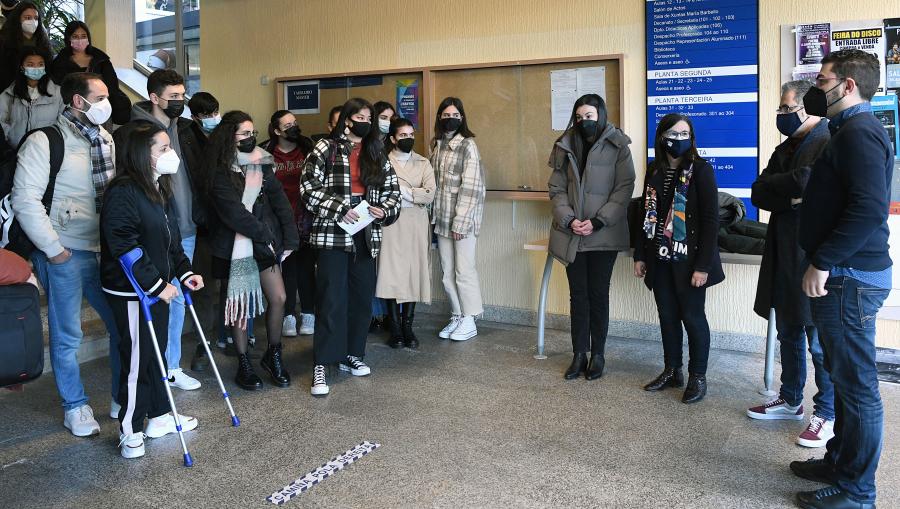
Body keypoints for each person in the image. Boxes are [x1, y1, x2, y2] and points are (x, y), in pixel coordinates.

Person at [791, 49, 894, 509]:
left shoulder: (860, 133)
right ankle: (839, 462)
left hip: (850, 277)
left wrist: (823, 260)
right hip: (845, 273)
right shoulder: (848, 131)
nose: (818, 86)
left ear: (847, 85)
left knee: (856, 386)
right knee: (841, 373)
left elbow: (869, 209)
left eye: (823, 79)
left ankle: (858, 492)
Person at [10, 72, 123, 435]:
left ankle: (123, 395)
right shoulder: (45, 141)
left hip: (104, 249)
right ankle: (75, 405)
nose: (108, 102)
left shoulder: (105, 138)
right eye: (101, 96)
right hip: (66, 251)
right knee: (68, 334)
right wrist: (54, 250)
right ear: (78, 100)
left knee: (121, 326)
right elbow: (25, 199)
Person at [99, 121, 203, 459]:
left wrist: (184, 272)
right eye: (162, 148)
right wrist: (156, 285)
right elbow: (123, 245)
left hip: (158, 290)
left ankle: (159, 416)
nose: (170, 153)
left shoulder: (159, 187)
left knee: (154, 357)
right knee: (137, 362)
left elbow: (170, 239)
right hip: (133, 293)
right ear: (142, 153)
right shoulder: (124, 191)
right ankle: (130, 428)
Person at [746, 79, 836, 449]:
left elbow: (809, 181)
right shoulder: (788, 146)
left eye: (786, 109)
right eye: (780, 109)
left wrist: (786, 190)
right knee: (787, 330)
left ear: (806, 107)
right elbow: (758, 191)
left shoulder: (827, 140)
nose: (781, 115)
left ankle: (827, 412)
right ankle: (791, 398)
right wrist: (791, 197)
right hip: (783, 250)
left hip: (812, 254)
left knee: (819, 340)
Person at [300, 97, 400, 397]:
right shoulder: (326, 148)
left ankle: (352, 354)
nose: (366, 122)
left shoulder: (377, 152)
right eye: (360, 116)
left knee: (361, 297)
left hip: (366, 233)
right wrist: (340, 207)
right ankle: (322, 362)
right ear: (347, 120)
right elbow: (308, 188)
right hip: (333, 232)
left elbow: (392, 191)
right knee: (331, 298)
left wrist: (385, 209)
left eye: (370, 117)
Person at [634, 113, 723, 404]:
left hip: (690, 261)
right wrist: (640, 255)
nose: (680, 139)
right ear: (662, 137)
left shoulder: (701, 170)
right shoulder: (654, 169)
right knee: (668, 317)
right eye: (674, 133)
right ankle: (673, 370)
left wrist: (703, 267)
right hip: (659, 257)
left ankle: (698, 377)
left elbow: (711, 222)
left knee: (693, 319)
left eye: (685, 134)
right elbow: (646, 215)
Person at [208, 110, 298, 390]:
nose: (250, 138)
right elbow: (233, 213)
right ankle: (244, 362)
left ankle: (273, 355)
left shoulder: (260, 161)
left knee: (279, 298)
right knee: (240, 307)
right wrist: (265, 235)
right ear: (229, 137)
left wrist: (290, 236)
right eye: (244, 134)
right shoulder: (219, 170)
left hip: (265, 242)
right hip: (236, 246)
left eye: (252, 133)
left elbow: (279, 200)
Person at [547, 94, 635, 381]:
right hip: (572, 232)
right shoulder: (564, 144)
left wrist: (598, 221)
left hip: (603, 232)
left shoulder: (618, 144)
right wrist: (569, 220)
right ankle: (579, 354)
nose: (584, 121)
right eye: (579, 116)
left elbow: (624, 187)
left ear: (601, 115)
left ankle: (598, 354)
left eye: (590, 116)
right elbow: (556, 188)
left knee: (598, 294)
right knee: (578, 296)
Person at [128, 69, 204, 391]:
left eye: (182, 96)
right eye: (173, 97)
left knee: (177, 302)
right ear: (154, 97)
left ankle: (171, 366)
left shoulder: (184, 128)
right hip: (157, 229)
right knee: (159, 301)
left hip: (186, 225)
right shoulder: (137, 132)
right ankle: (155, 370)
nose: (179, 102)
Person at [377, 117, 435, 349]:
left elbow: (429, 194)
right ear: (392, 138)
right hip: (391, 223)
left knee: (413, 273)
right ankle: (395, 328)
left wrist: (402, 192)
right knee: (392, 274)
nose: (408, 139)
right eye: (403, 135)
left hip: (416, 224)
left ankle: (408, 326)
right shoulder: (383, 162)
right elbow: (381, 194)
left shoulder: (423, 162)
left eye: (411, 135)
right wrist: (414, 194)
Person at [430, 96, 485, 341]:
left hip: (461, 221)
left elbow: (471, 188)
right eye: (445, 115)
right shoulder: (438, 144)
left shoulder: (468, 146)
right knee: (447, 271)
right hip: (441, 219)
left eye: (454, 115)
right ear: (439, 118)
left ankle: (470, 319)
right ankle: (457, 314)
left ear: (461, 118)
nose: (449, 119)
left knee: (464, 271)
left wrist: (460, 222)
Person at [262, 109, 316, 338]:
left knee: (306, 267)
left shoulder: (309, 148)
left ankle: (309, 313)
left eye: (295, 122)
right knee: (287, 269)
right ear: (276, 131)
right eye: (288, 125)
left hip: (307, 218)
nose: (294, 127)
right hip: (280, 220)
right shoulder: (266, 152)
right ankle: (288, 316)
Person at [179, 91, 220, 371]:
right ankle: (203, 345)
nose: (211, 119)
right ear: (193, 117)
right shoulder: (184, 135)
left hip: (228, 220)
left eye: (213, 112)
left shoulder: (225, 132)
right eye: (204, 116)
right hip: (202, 222)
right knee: (204, 287)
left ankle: (235, 336)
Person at [49, 21, 132, 125]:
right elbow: (59, 89)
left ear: (88, 37)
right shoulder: (60, 63)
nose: (80, 40)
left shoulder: (101, 60)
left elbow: (112, 86)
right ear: (68, 38)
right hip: (72, 114)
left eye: (83, 36)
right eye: (75, 36)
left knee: (102, 139)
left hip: (99, 111)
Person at [368, 101, 397, 332]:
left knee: (388, 267)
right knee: (371, 266)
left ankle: (387, 315)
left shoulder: (390, 144)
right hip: (367, 214)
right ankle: (372, 314)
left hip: (388, 214)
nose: (387, 122)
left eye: (390, 118)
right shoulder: (368, 145)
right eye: (383, 117)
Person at [0, 47, 63, 148]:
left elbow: (64, 122)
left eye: (40, 64)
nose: (36, 68)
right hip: (16, 150)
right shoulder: (9, 93)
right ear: (22, 67)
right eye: (30, 65)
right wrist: (10, 136)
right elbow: (1, 121)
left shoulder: (58, 93)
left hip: (48, 150)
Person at [0, 1, 51, 92]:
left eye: (35, 18)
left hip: (39, 89)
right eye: (28, 18)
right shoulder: (5, 39)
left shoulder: (43, 40)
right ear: (18, 19)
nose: (33, 22)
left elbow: (49, 65)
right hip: (10, 89)